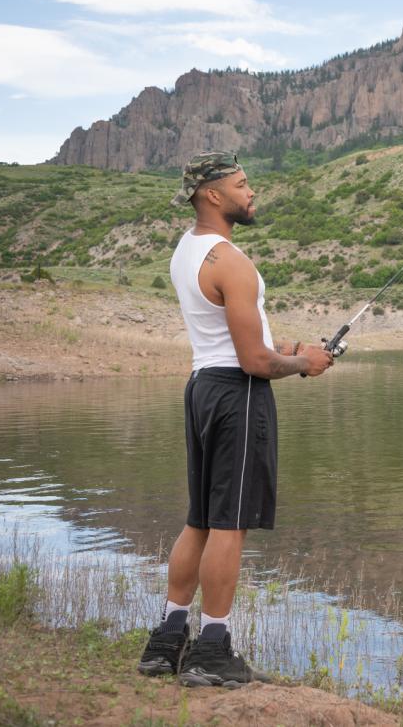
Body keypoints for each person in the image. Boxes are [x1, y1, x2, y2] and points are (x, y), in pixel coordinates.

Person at [138, 151, 333, 688]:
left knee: (199, 517)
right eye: (243, 184)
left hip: (203, 387)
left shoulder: (187, 250)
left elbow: (236, 339)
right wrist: (303, 365)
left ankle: (166, 641)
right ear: (213, 195)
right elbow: (255, 362)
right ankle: (212, 650)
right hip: (239, 394)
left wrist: (293, 348)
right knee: (230, 522)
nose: (252, 193)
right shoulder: (231, 260)